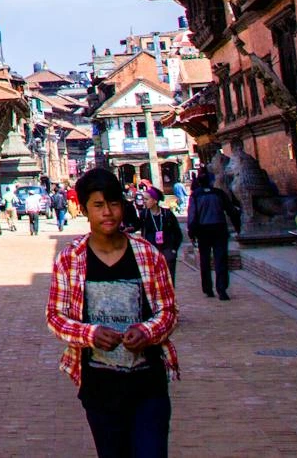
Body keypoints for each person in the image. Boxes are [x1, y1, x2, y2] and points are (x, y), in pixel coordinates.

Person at [45, 168, 179, 458]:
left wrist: (146, 331)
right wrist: (90, 334)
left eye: (114, 203)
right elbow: (55, 317)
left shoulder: (148, 255)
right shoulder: (70, 259)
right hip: (99, 388)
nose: (107, 212)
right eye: (98, 205)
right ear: (84, 210)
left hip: (148, 386)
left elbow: (168, 311)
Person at [185, 171, 239, 301]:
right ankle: (222, 289)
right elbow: (231, 211)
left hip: (203, 230)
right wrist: (238, 227)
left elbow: (192, 215)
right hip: (219, 228)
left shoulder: (196, 195)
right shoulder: (219, 193)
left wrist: (191, 232)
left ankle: (208, 288)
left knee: (205, 260)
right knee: (221, 259)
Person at [149, 196, 184, 280]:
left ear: (155, 200)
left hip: (167, 249)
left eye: (146, 199)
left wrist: (174, 249)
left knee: (169, 278)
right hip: (152, 251)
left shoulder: (167, 213)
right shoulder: (145, 214)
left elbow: (177, 232)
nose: (144, 201)